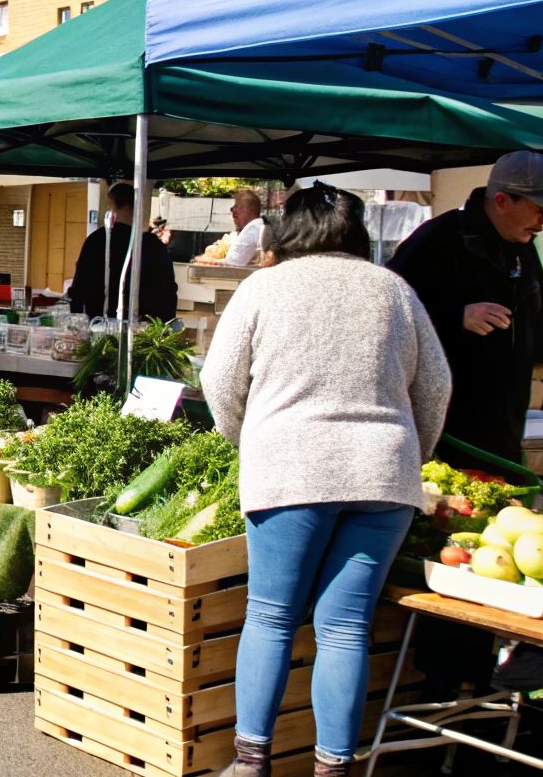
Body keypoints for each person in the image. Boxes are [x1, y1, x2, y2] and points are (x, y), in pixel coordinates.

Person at [201, 184, 451, 777]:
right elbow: (436, 386)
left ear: (287, 232)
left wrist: (250, 439)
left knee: (270, 616)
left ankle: (250, 762)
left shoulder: (263, 287)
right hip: (382, 473)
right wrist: (409, 452)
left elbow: (218, 380)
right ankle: (334, 769)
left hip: (289, 467)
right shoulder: (394, 289)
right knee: (345, 628)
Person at [388, 151, 543, 468]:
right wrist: (456, 316)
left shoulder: (524, 251)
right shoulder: (438, 240)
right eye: (539, 209)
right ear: (502, 200)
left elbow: (532, 325)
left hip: (503, 432)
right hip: (441, 433)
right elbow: (389, 313)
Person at [67, 182, 178, 322]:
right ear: (136, 207)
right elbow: (168, 291)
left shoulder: (97, 240)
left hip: (101, 326)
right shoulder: (153, 245)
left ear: (112, 205)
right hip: (144, 330)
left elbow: (80, 287)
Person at [197, 188, 268, 267]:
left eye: (236, 206)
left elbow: (233, 263)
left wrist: (207, 261)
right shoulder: (257, 226)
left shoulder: (252, 228)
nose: (232, 210)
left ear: (246, 209)